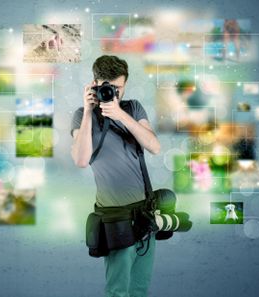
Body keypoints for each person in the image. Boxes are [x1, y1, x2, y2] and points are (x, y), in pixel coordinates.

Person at [70, 55, 161, 297]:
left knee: (140, 289)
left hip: (145, 213)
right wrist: (90, 112)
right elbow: (80, 160)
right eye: (107, 87)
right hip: (115, 217)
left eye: (117, 88)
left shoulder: (132, 108)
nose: (112, 93)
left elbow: (154, 146)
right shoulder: (81, 115)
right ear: (95, 84)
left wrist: (120, 114)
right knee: (118, 291)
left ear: (125, 85)